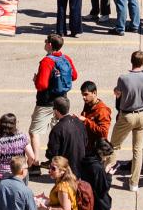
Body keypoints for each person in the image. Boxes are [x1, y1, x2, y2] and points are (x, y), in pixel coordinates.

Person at [30, 36, 77, 169]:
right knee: (57, 131)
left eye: (45, 42)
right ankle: (57, 162)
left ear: (50, 45)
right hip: (62, 101)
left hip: (46, 102)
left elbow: (42, 85)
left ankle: (35, 163)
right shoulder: (66, 58)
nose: (44, 43)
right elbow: (74, 76)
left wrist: (35, 79)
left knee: (34, 131)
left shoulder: (47, 61)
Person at [110, 50, 143, 191]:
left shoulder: (123, 78)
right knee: (137, 150)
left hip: (127, 115)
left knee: (114, 145)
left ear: (131, 60)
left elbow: (118, 93)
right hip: (142, 114)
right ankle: (134, 183)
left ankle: (107, 175)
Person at [0, 113, 35, 192]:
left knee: (1, 197)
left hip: (0, 175)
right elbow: (32, 157)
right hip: (19, 173)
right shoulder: (22, 137)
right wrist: (26, 166)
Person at [45, 95, 88, 178]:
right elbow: (86, 142)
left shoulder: (57, 129)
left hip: (65, 171)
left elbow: (53, 153)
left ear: (56, 111)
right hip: (80, 168)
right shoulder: (79, 122)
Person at [80, 81, 113, 147]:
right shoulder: (88, 104)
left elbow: (103, 132)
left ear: (94, 93)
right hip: (87, 145)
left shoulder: (102, 111)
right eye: (82, 95)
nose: (83, 97)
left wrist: (86, 121)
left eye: (86, 94)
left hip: (96, 149)